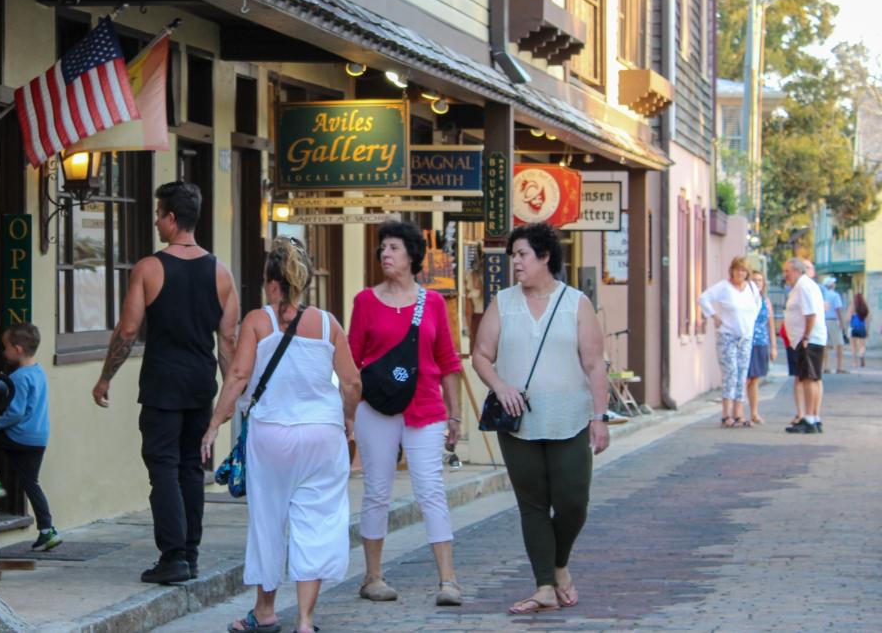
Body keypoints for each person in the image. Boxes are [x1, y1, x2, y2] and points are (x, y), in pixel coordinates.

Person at [200, 238, 361, 633]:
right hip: (323, 435)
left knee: (268, 522)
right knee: (318, 521)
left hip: (272, 435)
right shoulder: (328, 323)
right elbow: (352, 382)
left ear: (272, 284)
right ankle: (305, 620)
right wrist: (349, 419)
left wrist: (215, 423)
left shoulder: (258, 321)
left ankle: (265, 610)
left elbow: (238, 376)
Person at [92, 181, 240, 584]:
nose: (156, 222)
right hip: (200, 384)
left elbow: (127, 330)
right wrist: (230, 397)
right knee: (191, 467)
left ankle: (172, 555)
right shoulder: (222, 273)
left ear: (172, 218)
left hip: (161, 384)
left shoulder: (149, 268)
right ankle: (189, 553)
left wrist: (105, 377)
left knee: (163, 467)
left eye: (159, 215)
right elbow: (227, 342)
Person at [471, 222, 610, 615]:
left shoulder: (575, 303)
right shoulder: (503, 302)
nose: (515, 262)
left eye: (522, 255)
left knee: (573, 502)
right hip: (519, 424)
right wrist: (500, 386)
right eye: (512, 256)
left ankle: (558, 564)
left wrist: (599, 417)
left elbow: (594, 364)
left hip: (570, 419)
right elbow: (481, 355)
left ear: (545, 257)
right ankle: (545, 585)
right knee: (532, 505)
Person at [349, 221, 465, 607]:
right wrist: (346, 414)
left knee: (430, 489)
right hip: (376, 408)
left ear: (412, 256)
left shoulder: (433, 303)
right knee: (377, 490)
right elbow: (351, 360)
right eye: (383, 247)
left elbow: (447, 360)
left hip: (425, 407)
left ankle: (448, 580)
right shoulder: (365, 302)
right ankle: (373, 577)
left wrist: (455, 414)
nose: (385, 253)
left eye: (394, 247)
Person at [0, 323, 62, 551]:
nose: (3, 352)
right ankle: (47, 529)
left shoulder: (20, 377)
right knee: (31, 483)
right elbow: (12, 389)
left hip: (20, 437)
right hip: (38, 438)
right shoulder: (38, 372)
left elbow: (15, 412)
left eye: (5, 347)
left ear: (18, 349)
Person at [698, 257, 762, 428]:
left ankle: (738, 412)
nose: (740, 273)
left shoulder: (751, 288)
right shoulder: (724, 287)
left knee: (742, 374)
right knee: (730, 373)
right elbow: (703, 298)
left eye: (743, 270)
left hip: (745, 337)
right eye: (737, 269)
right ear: (732, 271)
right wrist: (715, 317)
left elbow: (758, 305)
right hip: (727, 336)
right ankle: (726, 413)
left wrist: (750, 324)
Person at [782, 258, 827, 434]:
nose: (786, 274)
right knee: (812, 378)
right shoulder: (803, 286)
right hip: (810, 338)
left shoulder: (803, 286)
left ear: (797, 271)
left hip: (808, 339)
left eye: (788, 271)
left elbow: (810, 314)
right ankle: (814, 418)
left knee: (808, 379)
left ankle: (809, 418)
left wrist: (806, 336)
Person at [745, 271, 778, 424]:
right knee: (744, 378)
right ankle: (738, 412)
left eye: (760, 280)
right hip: (746, 342)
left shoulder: (766, 301)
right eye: (754, 280)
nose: (757, 283)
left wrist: (774, 346)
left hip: (761, 342)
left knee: (755, 378)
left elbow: (771, 325)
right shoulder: (745, 299)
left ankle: (754, 412)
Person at [820, 277, 848, 374]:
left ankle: (825, 366)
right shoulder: (835, 295)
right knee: (839, 344)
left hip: (823, 320)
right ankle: (839, 366)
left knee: (825, 345)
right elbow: (838, 309)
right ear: (831, 285)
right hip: (833, 321)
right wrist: (842, 323)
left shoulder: (822, 295)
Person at [849, 293, 870, 368]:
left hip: (853, 328)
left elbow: (848, 318)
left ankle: (854, 363)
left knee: (853, 347)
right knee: (862, 346)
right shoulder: (865, 307)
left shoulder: (852, 306)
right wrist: (867, 330)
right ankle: (861, 354)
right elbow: (868, 320)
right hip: (862, 328)